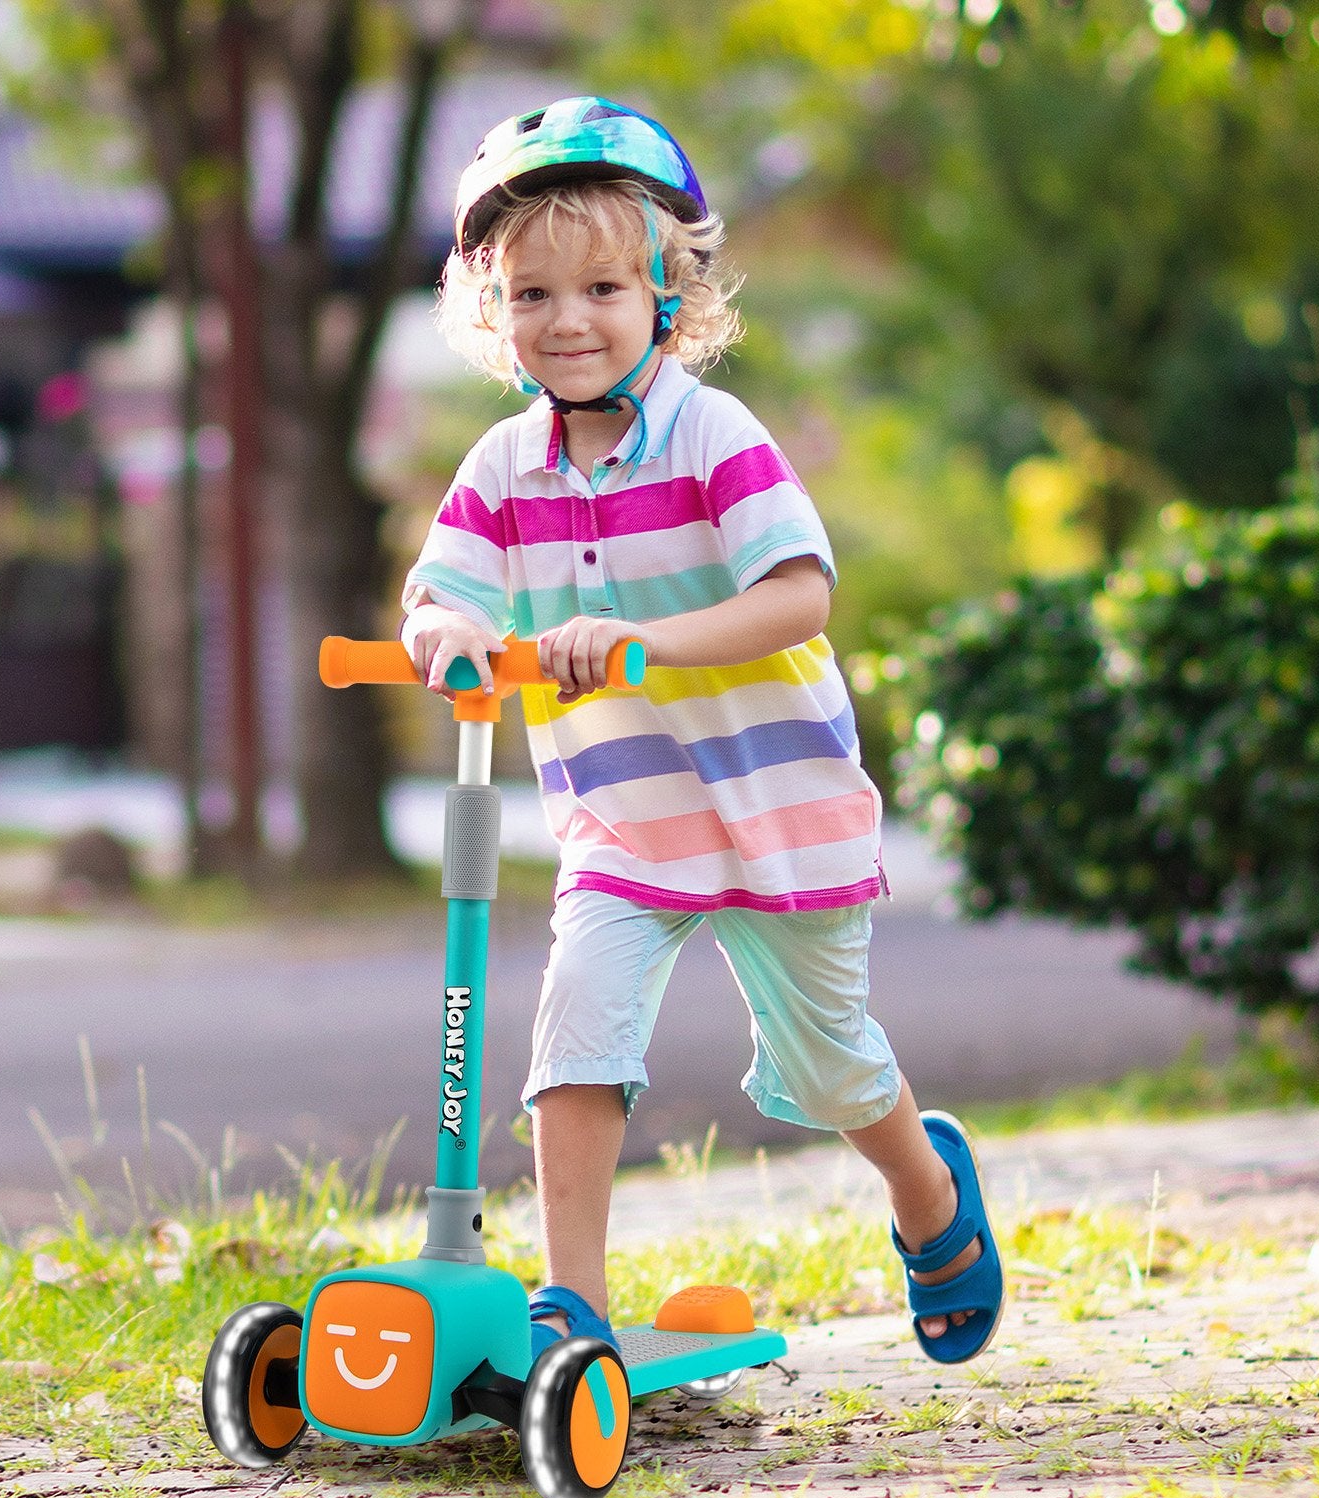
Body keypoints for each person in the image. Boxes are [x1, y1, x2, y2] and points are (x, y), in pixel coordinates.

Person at [402, 97, 1003, 1366]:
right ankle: (573, 1302)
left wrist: (641, 640)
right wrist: (445, 634)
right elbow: (441, 589)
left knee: (833, 1068)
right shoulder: (504, 466)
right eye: (531, 295)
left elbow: (799, 592)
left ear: (668, 295)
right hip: (625, 820)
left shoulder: (715, 435)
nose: (567, 321)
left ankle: (925, 1190)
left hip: (772, 805)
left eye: (604, 287)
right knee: (578, 1027)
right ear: (491, 312)